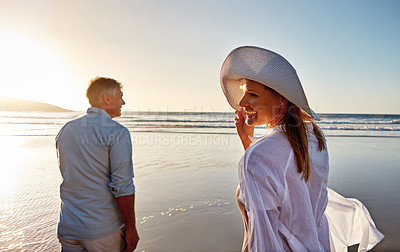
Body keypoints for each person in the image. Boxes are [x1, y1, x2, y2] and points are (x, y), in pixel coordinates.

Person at [220, 46, 384, 251]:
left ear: (281, 98)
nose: (242, 102)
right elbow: (294, 196)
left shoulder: (259, 157)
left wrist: (251, 151)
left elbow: (263, 242)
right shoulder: (314, 138)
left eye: (252, 94)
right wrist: (247, 143)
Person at [56, 77, 139, 252]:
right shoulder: (117, 132)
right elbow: (122, 186)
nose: (123, 102)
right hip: (101, 231)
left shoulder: (66, 130)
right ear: (107, 98)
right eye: (120, 96)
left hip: (69, 227)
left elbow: (69, 175)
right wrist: (131, 229)